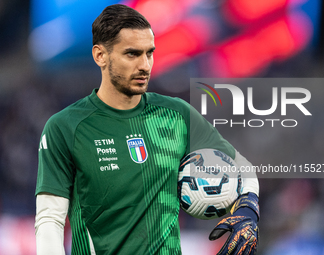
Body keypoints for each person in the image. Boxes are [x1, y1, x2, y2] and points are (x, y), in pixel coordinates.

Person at [35, 4, 259, 255]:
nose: (144, 65)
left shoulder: (177, 114)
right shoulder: (65, 127)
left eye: (149, 53)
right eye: (132, 54)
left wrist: (248, 206)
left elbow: (241, 166)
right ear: (100, 56)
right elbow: (49, 220)